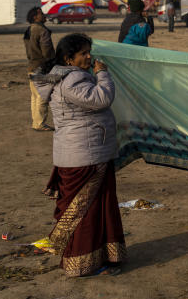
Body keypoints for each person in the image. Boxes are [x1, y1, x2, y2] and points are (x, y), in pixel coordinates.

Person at [33, 33, 126, 277]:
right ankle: (81, 263)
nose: (89, 57)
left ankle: (102, 257)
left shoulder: (65, 77)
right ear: (69, 59)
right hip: (85, 155)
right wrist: (103, 74)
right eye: (83, 53)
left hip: (84, 151)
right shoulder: (72, 80)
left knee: (95, 208)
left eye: (88, 51)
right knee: (86, 213)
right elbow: (102, 98)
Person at [24, 6, 55, 131]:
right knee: (42, 97)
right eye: (41, 13)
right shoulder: (42, 30)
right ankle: (40, 123)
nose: (44, 15)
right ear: (35, 17)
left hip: (31, 65)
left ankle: (36, 122)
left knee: (34, 96)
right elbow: (47, 51)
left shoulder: (29, 29)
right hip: (42, 67)